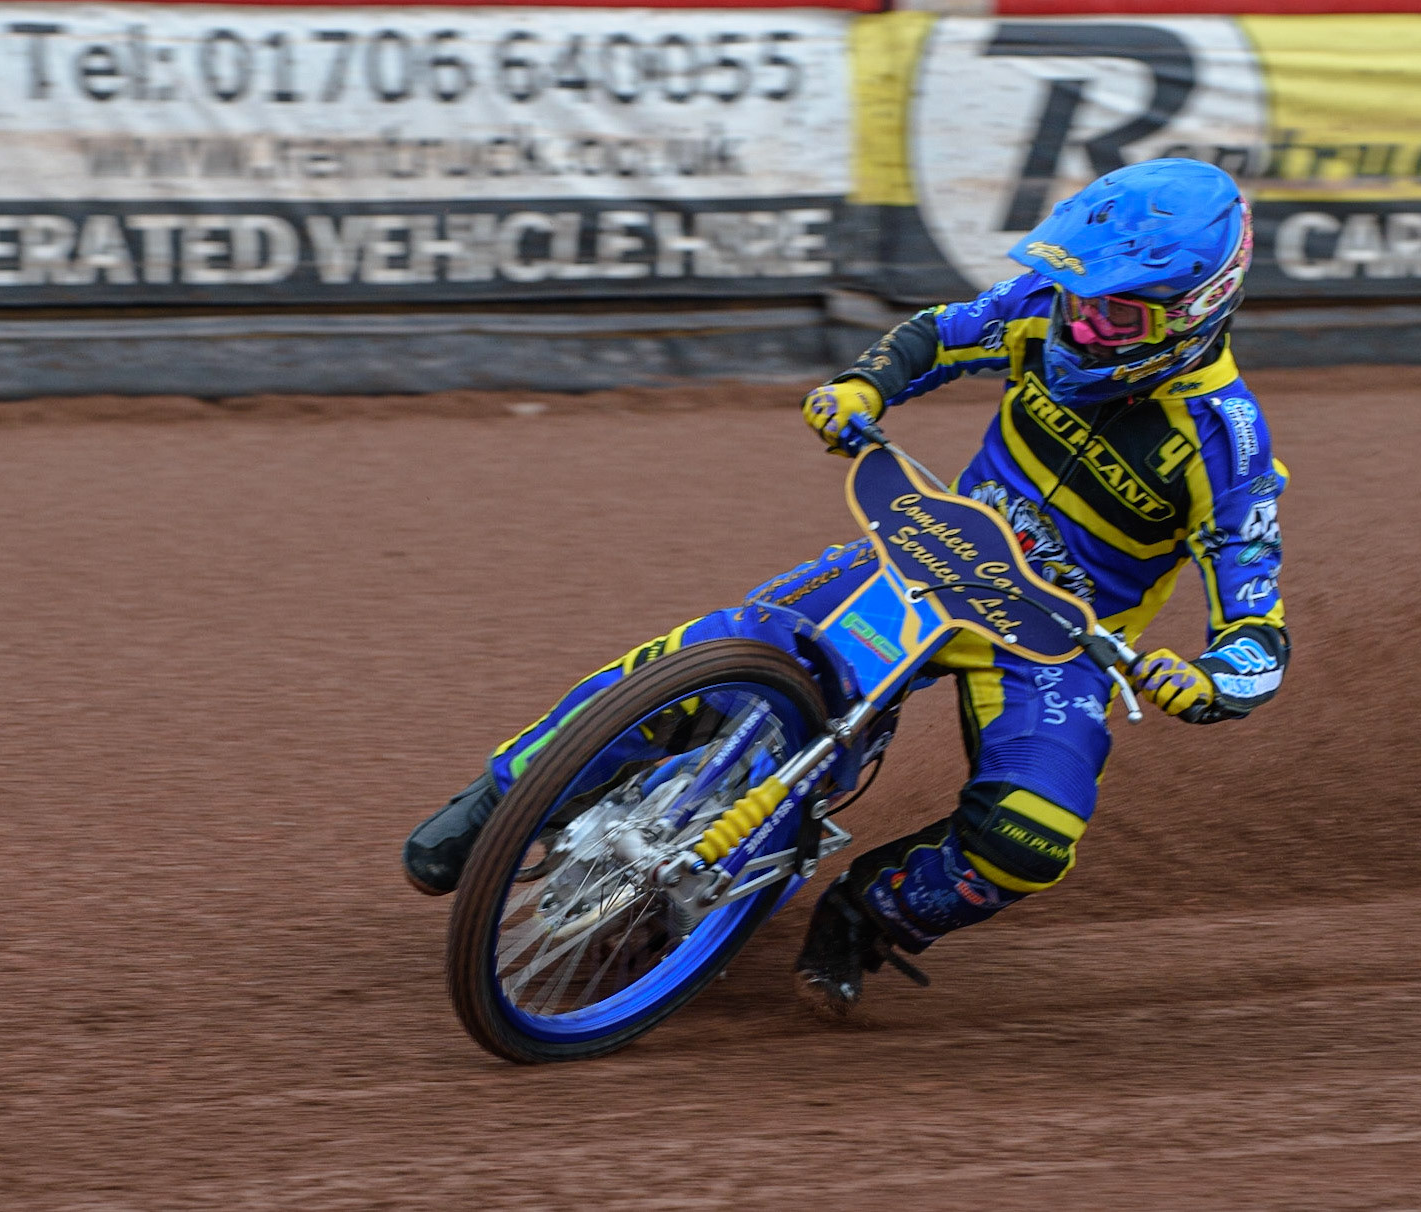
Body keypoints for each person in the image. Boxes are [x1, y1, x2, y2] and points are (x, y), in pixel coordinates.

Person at [402, 159, 1289, 1016]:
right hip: (934, 550)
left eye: (1117, 319)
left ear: (1197, 312)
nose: (1082, 329)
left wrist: (1209, 681)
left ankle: (870, 912)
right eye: (1077, 301)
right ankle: (501, 797)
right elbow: (939, 333)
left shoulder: (1227, 445)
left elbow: (1258, 633)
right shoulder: (1043, 308)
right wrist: (866, 382)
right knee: (728, 648)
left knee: (1029, 836)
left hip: (1051, 638)